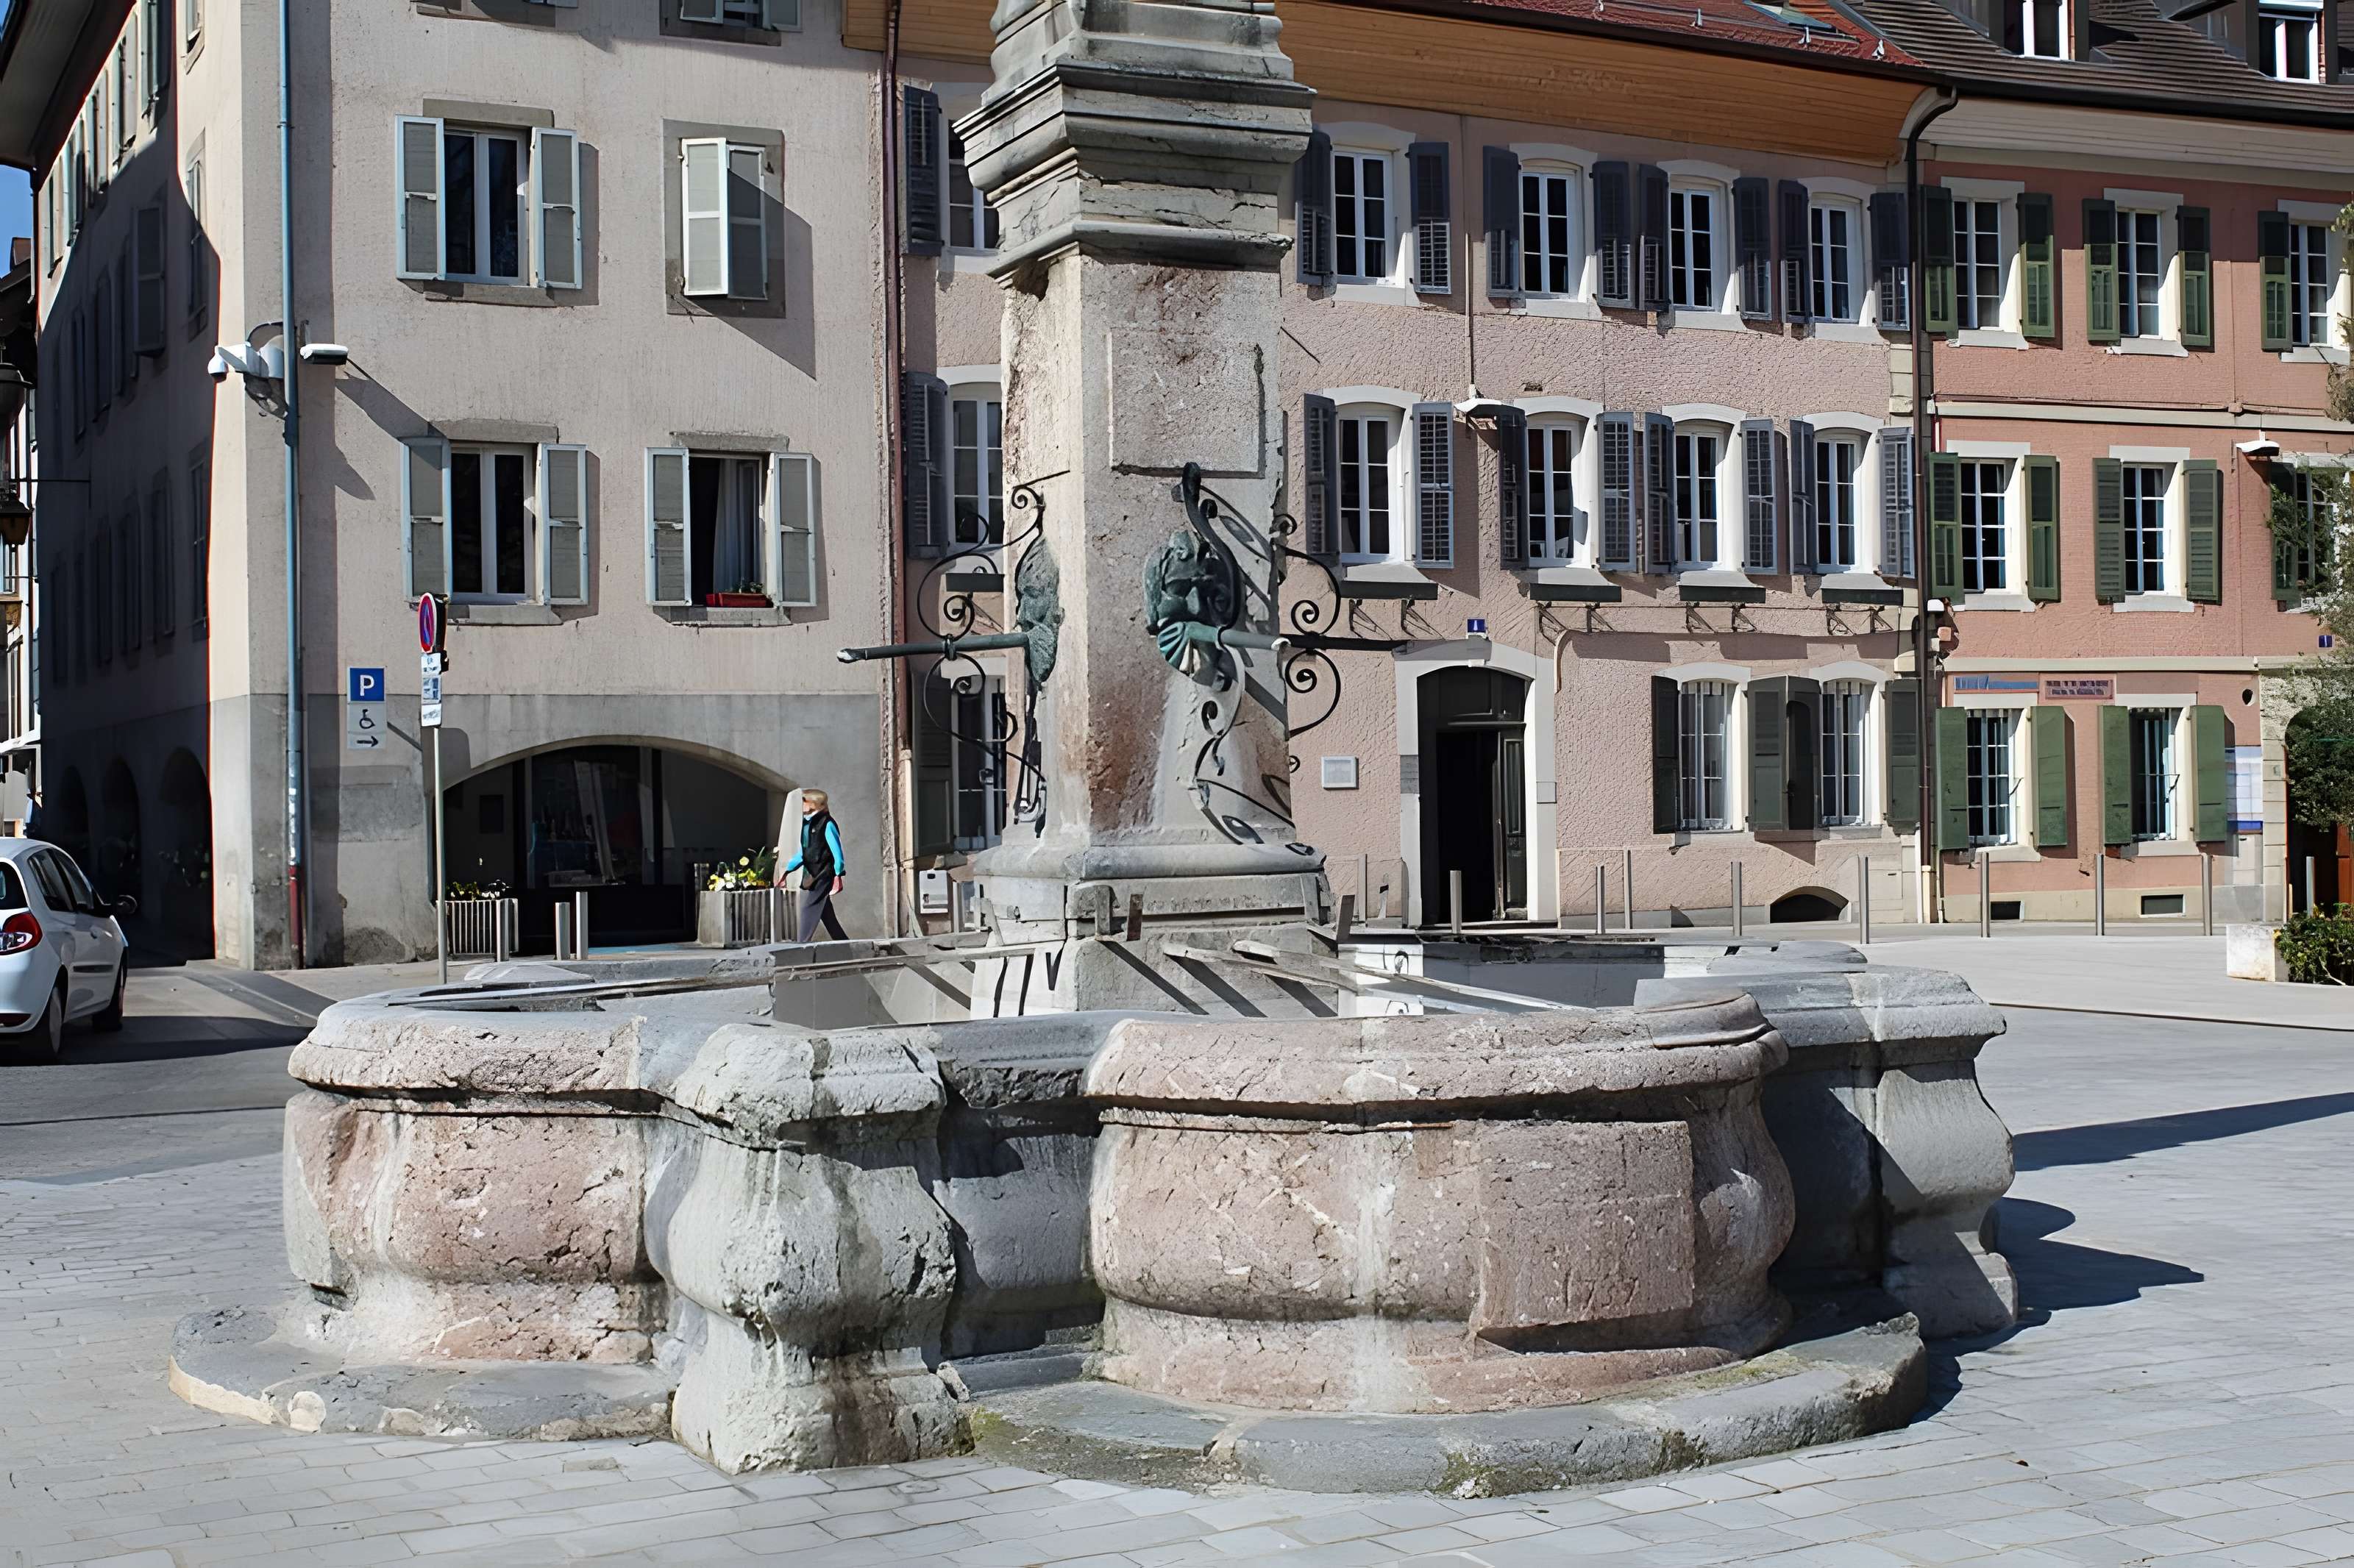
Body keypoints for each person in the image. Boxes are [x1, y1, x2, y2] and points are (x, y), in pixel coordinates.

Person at [777, 788, 848, 943]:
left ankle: (802, 944)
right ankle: (843, 942)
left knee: (808, 908)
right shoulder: (807, 824)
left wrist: (838, 875)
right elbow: (803, 853)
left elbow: (837, 853)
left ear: (814, 803)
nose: (801, 804)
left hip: (825, 873)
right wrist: (787, 871)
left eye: (804, 801)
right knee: (827, 915)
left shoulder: (827, 824)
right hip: (813, 874)